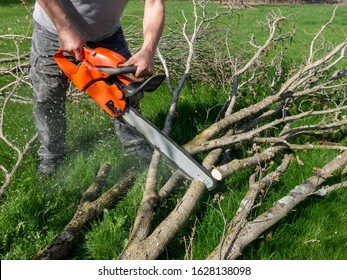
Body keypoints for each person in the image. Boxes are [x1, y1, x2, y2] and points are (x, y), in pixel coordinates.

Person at [28, 0, 165, 175]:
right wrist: (64, 28)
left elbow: (154, 3)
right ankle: (52, 154)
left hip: (107, 35)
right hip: (52, 29)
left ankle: (136, 148)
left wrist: (148, 50)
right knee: (48, 94)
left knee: (126, 93)